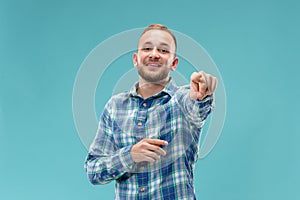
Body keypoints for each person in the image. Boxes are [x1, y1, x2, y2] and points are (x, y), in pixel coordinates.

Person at [84, 24, 218, 199]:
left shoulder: (182, 100)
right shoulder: (115, 106)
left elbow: (196, 109)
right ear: (136, 59)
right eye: (147, 48)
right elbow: (94, 171)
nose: (154, 54)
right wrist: (130, 156)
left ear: (174, 63)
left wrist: (201, 95)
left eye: (163, 50)